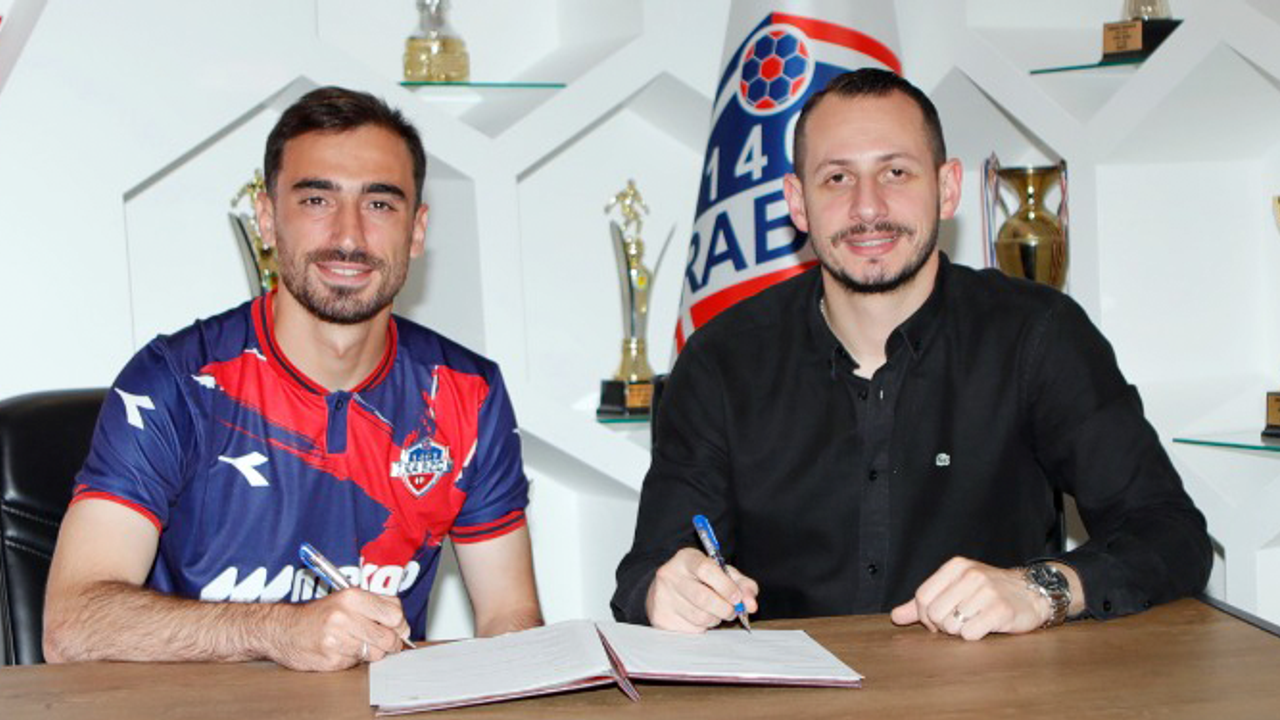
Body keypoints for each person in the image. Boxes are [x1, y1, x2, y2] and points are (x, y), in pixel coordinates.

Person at [612, 68, 1211, 641]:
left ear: (947, 188)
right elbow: (647, 571)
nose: (868, 208)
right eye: (837, 178)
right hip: (788, 694)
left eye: (895, 172)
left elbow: (1171, 534)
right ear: (797, 202)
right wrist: (667, 590)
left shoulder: (1039, 335)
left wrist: (1041, 589)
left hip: (996, 691)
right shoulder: (721, 360)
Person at [43, 87, 542, 670]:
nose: (349, 236)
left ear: (417, 230)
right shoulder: (173, 382)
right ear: (266, 218)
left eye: (380, 204)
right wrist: (279, 631)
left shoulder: (467, 393)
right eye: (316, 200)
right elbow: (71, 627)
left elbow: (511, 619)